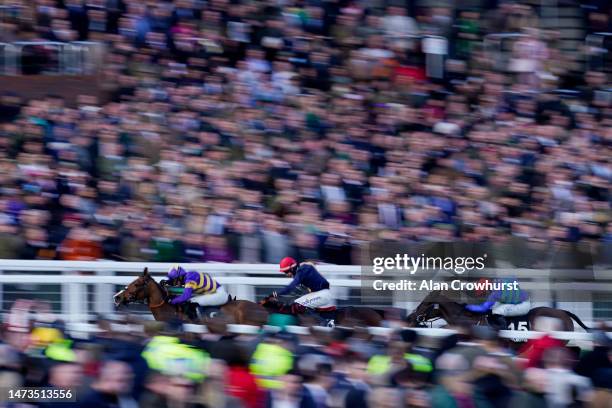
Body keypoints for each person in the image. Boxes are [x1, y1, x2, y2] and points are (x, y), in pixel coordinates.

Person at [265, 257, 336, 315]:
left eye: (286, 272)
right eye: (284, 273)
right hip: (319, 293)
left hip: (323, 294)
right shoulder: (301, 270)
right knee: (297, 302)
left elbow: (290, 287)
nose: (287, 274)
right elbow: (295, 292)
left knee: (299, 305)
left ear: (292, 268)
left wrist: (275, 294)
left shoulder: (302, 270)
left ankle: (323, 322)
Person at [161, 265, 228, 307]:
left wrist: (171, 302)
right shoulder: (187, 278)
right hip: (213, 293)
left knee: (192, 301)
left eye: (174, 280)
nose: (174, 282)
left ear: (179, 277)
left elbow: (185, 296)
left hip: (219, 294)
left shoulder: (190, 278)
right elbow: (181, 291)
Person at [465, 278, 531, 317]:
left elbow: (483, 308)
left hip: (523, 304)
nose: (485, 296)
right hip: (522, 300)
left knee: (497, 311)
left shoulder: (494, 294)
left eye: (484, 293)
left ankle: (502, 331)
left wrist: (467, 307)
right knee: (495, 307)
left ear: (487, 289)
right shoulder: (497, 283)